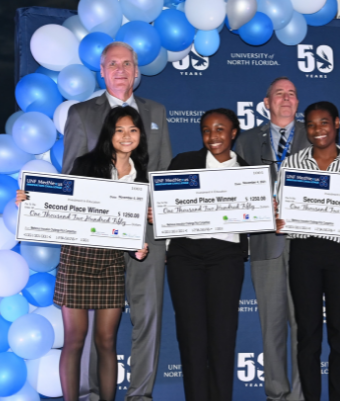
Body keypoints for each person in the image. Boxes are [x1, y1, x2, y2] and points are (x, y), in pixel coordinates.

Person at [62, 42, 172, 401]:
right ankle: (93, 393)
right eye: (113, 63)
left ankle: (140, 395)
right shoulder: (81, 113)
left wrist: (162, 213)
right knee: (95, 328)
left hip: (146, 236)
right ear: (102, 69)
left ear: (137, 69)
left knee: (148, 318)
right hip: (97, 240)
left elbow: (162, 175)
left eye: (128, 63)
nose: (121, 69)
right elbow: (70, 179)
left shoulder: (157, 111)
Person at [18, 106, 149, 401]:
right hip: (76, 261)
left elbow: (126, 228)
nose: (126, 136)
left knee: (106, 342)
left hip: (111, 265)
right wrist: (30, 200)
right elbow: (63, 205)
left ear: (140, 135)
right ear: (109, 134)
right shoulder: (87, 164)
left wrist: (138, 247)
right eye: (119, 130)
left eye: (133, 130)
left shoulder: (141, 177)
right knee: (74, 341)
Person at [146, 108, 248, 401]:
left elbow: (255, 217)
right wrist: (159, 215)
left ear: (233, 133)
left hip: (226, 256)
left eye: (219, 129)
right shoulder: (183, 162)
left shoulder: (249, 173)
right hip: (185, 257)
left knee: (223, 337)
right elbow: (163, 204)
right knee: (191, 337)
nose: (212, 136)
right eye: (206, 130)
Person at [276, 101, 340, 401]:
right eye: (312, 125)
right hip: (304, 252)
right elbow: (281, 206)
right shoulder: (292, 163)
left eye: (324, 123)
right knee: (308, 336)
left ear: (337, 123)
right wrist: (277, 218)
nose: (318, 130)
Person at [234, 77, 309, 401]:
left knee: (304, 326)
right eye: (279, 93)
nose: (286, 98)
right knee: (272, 326)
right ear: (266, 102)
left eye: (292, 94)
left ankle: (302, 394)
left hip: (306, 243)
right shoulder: (248, 141)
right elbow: (236, 191)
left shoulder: (316, 134)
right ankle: (277, 394)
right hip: (265, 243)